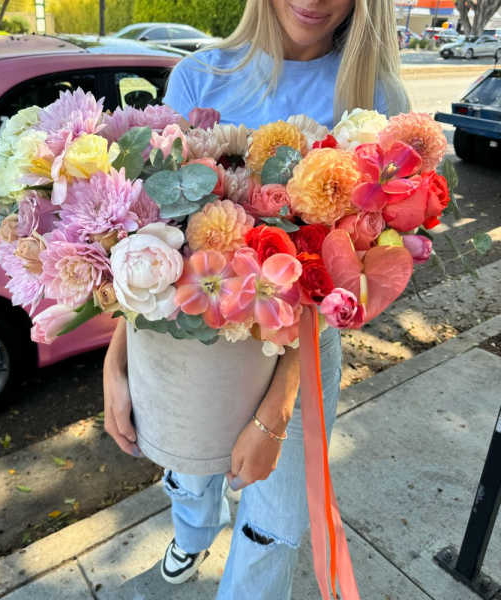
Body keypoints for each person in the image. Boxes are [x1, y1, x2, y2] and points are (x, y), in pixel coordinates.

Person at [103, 1, 409, 598]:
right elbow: (150, 242)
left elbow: (351, 270)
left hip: (303, 349)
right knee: (189, 474)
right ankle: (192, 534)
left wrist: (277, 409)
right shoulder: (199, 76)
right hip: (186, 339)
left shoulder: (376, 97)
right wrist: (116, 363)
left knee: (274, 525)